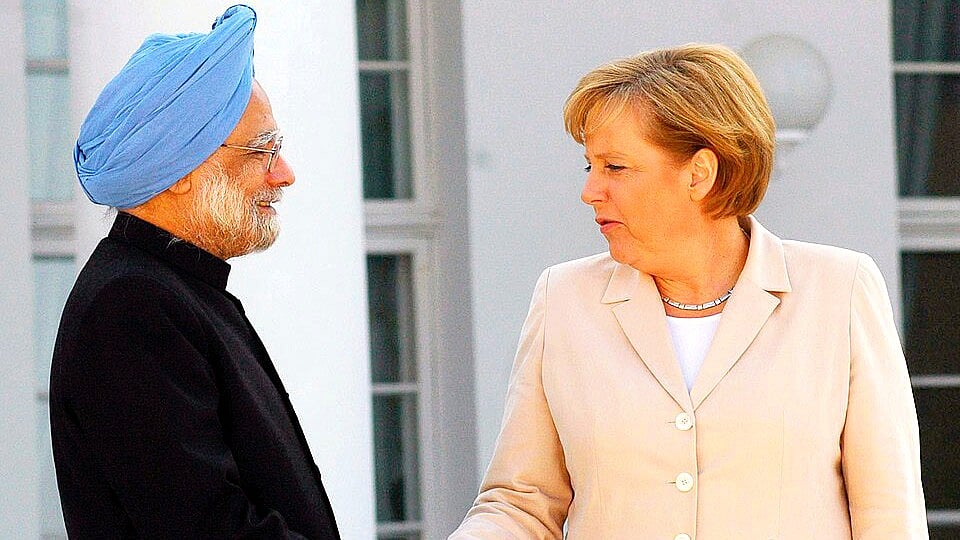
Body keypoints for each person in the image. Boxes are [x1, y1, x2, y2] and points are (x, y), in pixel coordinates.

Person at [450, 44, 927, 539]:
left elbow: (889, 515)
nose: (590, 190)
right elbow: (523, 503)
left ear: (699, 173)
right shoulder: (564, 299)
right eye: (588, 166)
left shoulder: (839, 290)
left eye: (614, 167)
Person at [49, 5, 340, 538]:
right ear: (179, 172)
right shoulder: (132, 308)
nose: (285, 174)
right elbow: (208, 527)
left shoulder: (175, 291)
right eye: (262, 151)